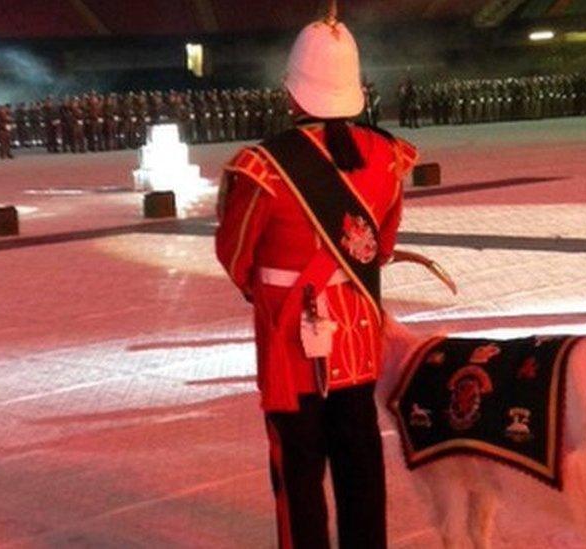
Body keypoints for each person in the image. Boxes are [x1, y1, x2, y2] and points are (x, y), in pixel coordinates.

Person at [215, 5, 417, 548]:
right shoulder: (388, 155)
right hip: (355, 344)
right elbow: (381, 245)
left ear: (293, 92)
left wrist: (272, 288)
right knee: (360, 466)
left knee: (299, 473)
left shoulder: (262, 167)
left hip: (290, 347)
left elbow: (234, 254)